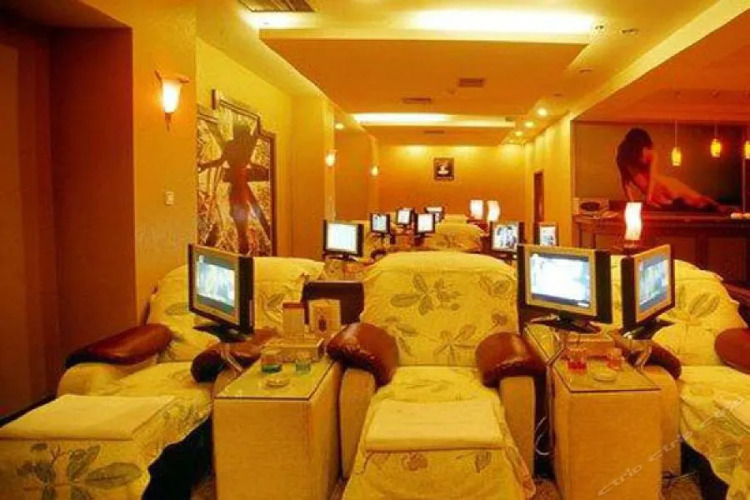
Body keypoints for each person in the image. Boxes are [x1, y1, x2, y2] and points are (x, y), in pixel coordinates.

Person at [616, 128, 718, 211]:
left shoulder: (644, 156)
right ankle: (717, 207)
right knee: (697, 200)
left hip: (663, 187)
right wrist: (639, 202)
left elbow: (650, 178)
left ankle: (718, 207)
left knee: (697, 199)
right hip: (662, 189)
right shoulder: (627, 160)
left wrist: (647, 199)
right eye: (643, 148)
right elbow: (627, 183)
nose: (645, 150)